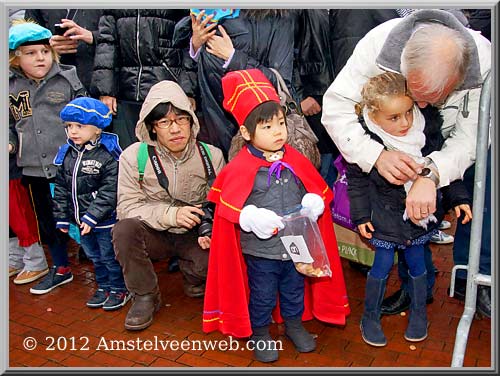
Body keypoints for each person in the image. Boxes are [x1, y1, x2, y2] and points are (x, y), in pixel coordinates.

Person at [321, 9, 491, 315]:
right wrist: (375, 156)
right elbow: (336, 108)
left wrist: (432, 173)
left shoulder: (486, 60)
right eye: (418, 95)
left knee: (481, 204)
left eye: (434, 97)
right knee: (404, 223)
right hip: (394, 147)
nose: (423, 107)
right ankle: (415, 291)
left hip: (450, 143)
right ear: (405, 65)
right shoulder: (378, 43)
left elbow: (474, 136)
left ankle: (473, 279)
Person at [202, 69, 350, 362]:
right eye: (267, 127)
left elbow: (316, 188)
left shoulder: (295, 158)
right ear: (246, 132)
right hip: (262, 251)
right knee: (263, 294)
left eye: (280, 123)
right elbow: (227, 206)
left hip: (296, 246)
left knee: (294, 289)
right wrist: (249, 216)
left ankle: (294, 325)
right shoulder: (239, 166)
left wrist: (313, 202)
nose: (278, 132)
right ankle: (261, 332)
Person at [347, 72, 472, 346]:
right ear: (373, 115)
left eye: (408, 113)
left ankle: (418, 313)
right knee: (380, 267)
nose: (405, 123)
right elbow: (356, 182)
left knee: (417, 264)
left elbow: (444, 167)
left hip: (419, 218)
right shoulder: (364, 142)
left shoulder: (427, 132)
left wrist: (459, 198)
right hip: (385, 218)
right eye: (394, 118)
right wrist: (360, 215)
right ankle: (370, 316)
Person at [111, 80, 225, 331]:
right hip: (154, 232)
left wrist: (210, 229)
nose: (175, 129)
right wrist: (170, 215)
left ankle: (192, 274)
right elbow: (127, 206)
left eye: (181, 119)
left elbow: (220, 205)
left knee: (217, 261)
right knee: (123, 230)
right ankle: (145, 295)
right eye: (165, 122)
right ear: (152, 128)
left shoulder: (211, 155)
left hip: (193, 234)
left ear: (192, 121)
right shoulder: (133, 156)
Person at [9, 21, 87, 295]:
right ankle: (61, 268)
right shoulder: (9, 86)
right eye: (30, 53)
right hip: (33, 168)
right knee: (48, 222)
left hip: (67, 167)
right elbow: (9, 123)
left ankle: (106, 269)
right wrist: (9, 142)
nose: (39, 57)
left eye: (44, 51)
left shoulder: (67, 78)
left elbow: (85, 115)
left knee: (83, 217)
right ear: (15, 57)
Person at [52, 97, 130, 311]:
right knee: (95, 257)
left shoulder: (108, 154)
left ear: (97, 129)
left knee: (109, 256)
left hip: (104, 221)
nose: (73, 131)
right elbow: (60, 187)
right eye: (69, 126)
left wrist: (93, 215)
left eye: (80, 126)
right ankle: (104, 287)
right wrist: (61, 216)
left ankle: (119, 288)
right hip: (80, 221)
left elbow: (110, 189)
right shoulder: (67, 154)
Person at [190, 9, 296, 158]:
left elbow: (279, 81)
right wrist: (195, 44)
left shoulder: (278, 16)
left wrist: (233, 57)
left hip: (259, 131)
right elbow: (185, 64)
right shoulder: (209, 10)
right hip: (211, 127)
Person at [91, 9, 190, 150]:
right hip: (125, 90)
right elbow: (106, 42)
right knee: (130, 154)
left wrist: (188, 90)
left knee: (167, 153)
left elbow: (189, 42)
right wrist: (106, 90)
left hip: (167, 88)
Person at [24, 9, 104, 91]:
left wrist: (93, 37)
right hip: (52, 83)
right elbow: (26, 39)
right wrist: (46, 49)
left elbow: (116, 31)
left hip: (98, 81)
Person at [9, 145, 49, 285]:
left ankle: (36, 261)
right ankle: (15, 258)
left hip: (12, 171)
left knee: (21, 217)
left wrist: (10, 143)